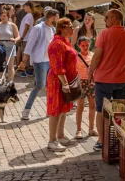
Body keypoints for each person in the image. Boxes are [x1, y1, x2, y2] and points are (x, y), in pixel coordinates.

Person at [88, 10, 125, 151]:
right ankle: (118, 140)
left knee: (102, 111)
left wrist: (91, 72)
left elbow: (97, 57)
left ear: (115, 19)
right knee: (120, 111)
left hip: (104, 79)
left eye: (107, 18)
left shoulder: (105, 34)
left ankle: (102, 141)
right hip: (122, 79)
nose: (105, 21)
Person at [45, 18, 78, 152]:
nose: (72, 28)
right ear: (62, 29)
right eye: (69, 26)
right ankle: (52, 140)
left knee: (64, 109)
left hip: (65, 79)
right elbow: (58, 66)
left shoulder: (65, 41)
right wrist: (64, 83)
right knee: (56, 110)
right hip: (58, 80)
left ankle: (60, 135)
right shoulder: (57, 44)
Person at [21, 9, 59, 121]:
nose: (58, 19)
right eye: (57, 16)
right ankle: (26, 110)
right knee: (40, 85)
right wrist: (24, 60)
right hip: (40, 60)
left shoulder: (53, 29)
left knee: (49, 86)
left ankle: (49, 110)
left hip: (50, 61)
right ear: (52, 17)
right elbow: (30, 44)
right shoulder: (38, 28)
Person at [0, 9, 20, 80]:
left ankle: (10, 81)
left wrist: (14, 40)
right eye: (1, 16)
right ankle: (1, 80)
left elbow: (18, 36)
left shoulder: (12, 25)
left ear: (8, 16)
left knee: (10, 66)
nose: (2, 17)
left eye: (4, 16)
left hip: (10, 47)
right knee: (0, 65)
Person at [16, 2, 35, 77]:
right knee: (25, 53)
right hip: (26, 38)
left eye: (25, 6)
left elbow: (26, 27)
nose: (24, 8)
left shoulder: (28, 16)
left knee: (26, 53)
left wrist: (22, 37)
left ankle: (28, 70)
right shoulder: (28, 15)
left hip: (26, 38)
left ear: (28, 6)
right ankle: (27, 69)